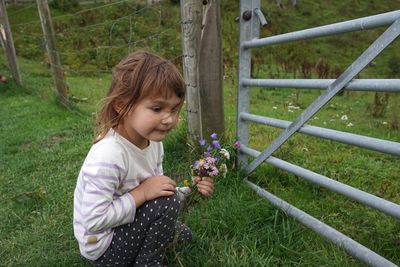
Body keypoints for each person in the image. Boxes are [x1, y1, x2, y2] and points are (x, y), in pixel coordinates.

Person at [73, 51, 214, 267]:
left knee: (183, 234)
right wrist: (142, 193)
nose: (169, 119)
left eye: (175, 109)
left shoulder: (154, 143)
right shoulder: (109, 155)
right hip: (103, 247)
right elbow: (93, 221)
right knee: (167, 207)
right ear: (122, 105)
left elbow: (156, 193)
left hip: (125, 229)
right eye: (157, 109)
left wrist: (191, 191)